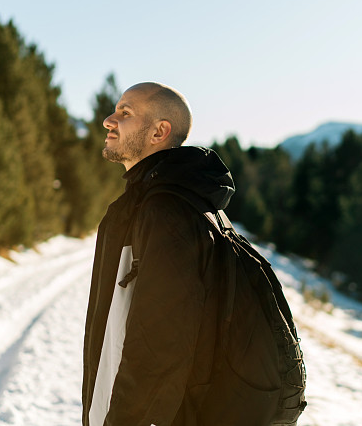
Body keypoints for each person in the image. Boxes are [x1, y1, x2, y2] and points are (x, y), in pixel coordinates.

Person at [82, 82, 274, 425]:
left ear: (159, 131)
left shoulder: (166, 212)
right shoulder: (166, 203)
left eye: (125, 112)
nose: (109, 120)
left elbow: (159, 347)